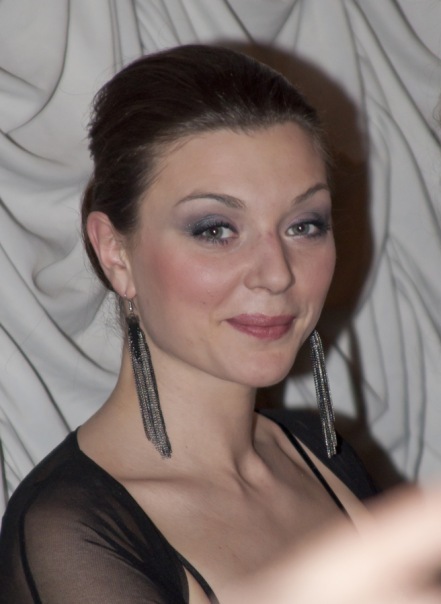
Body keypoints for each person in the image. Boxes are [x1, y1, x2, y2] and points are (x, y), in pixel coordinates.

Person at [0, 44, 439, 604]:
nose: (277, 274)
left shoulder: (320, 453)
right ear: (116, 254)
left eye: (304, 225)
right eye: (215, 229)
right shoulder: (72, 533)